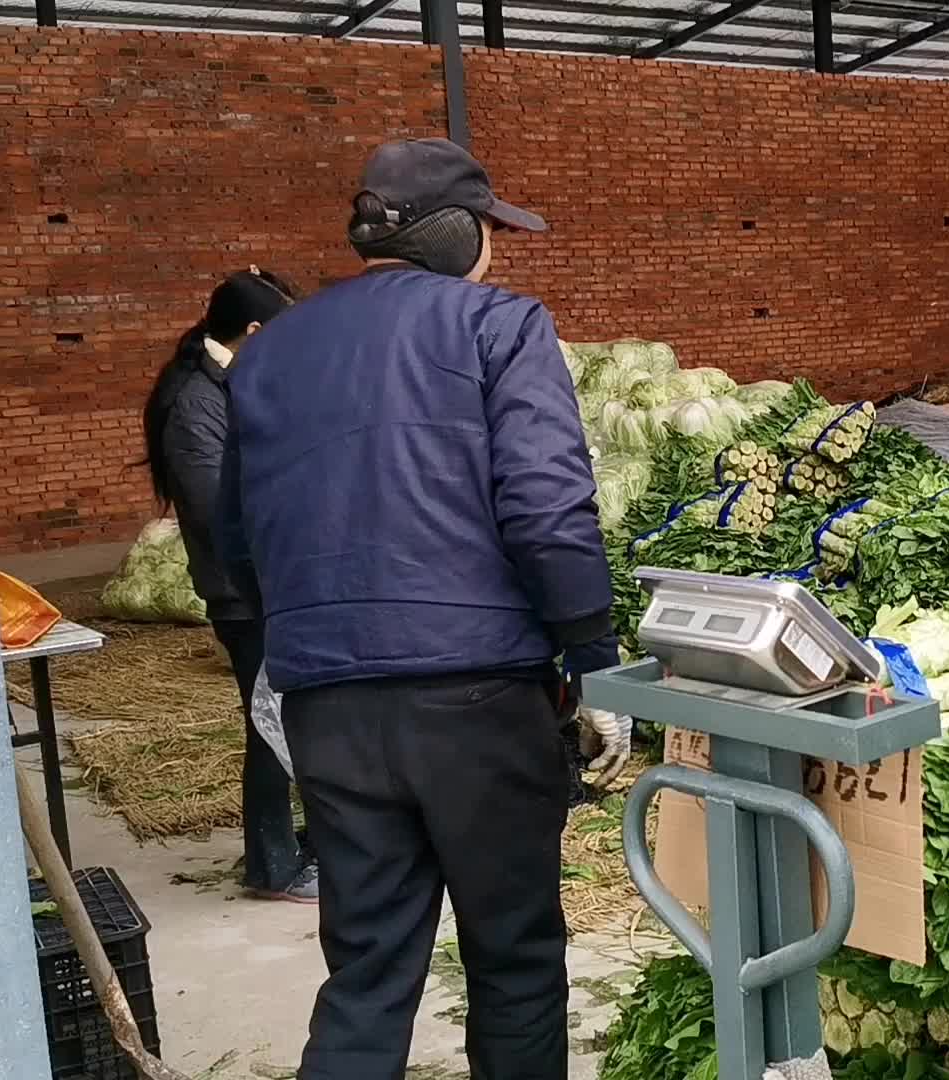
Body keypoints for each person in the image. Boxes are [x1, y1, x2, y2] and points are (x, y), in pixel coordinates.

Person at [216, 137, 629, 1080]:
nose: (497, 251)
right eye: (490, 229)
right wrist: (593, 656)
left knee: (366, 971)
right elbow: (546, 508)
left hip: (327, 705)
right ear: (453, 233)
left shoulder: (267, 357)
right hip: (476, 699)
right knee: (515, 959)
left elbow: (238, 541)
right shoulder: (499, 325)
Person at [140, 268, 316, 903]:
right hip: (244, 593)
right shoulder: (195, 401)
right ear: (253, 331)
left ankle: (303, 847)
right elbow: (219, 509)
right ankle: (273, 865)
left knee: (291, 714)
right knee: (268, 720)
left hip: (273, 582)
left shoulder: (235, 378)